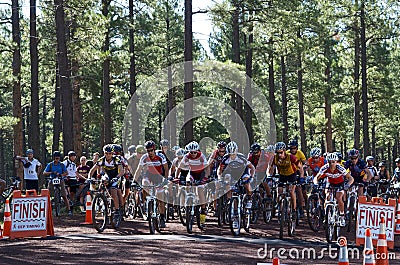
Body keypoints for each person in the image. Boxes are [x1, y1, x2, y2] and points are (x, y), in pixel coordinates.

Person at [133, 140, 168, 228]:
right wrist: (134, 181)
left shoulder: (160, 156)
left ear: (154, 149)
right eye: (148, 151)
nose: (150, 152)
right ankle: (147, 204)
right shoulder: (144, 157)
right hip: (149, 175)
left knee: (160, 198)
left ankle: (162, 217)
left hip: (159, 176)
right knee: (144, 184)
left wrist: (166, 179)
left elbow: (166, 169)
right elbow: (138, 169)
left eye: (151, 150)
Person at [176, 141, 210, 226]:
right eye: (191, 152)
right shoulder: (187, 156)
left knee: (200, 190)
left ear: (197, 151)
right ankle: (188, 201)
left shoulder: (201, 156)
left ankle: (202, 210)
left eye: (195, 152)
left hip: (201, 174)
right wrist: (176, 177)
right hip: (192, 173)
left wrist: (206, 178)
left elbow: (207, 168)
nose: (193, 154)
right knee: (188, 182)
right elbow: (179, 167)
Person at [315, 153, 354, 226]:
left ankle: (342, 216)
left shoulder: (340, 168)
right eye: (329, 162)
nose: (331, 164)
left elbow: (351, 178)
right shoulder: (325, 168)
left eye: (333, 162)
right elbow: (316, 177)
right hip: (330, 183)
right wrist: (315, 183)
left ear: (336, 162)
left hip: (340, 184)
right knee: (327, 197)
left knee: (339, 198)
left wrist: (348, 185)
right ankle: (327, 215)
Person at [268, 142, 304, 218]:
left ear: (284, 151)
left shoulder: (291, 157)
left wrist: (301, 177)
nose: (279, 155)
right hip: (282, 175)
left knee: (291, 191)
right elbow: (271, 168)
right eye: (277, 153)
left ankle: (294, 210)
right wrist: (269, 176)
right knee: (279, 192)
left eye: (280, 153)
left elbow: (300, 167)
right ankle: (280, 209)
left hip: (292, 175)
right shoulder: (275, 158)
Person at [89, 144, 125, 220]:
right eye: (106, 153)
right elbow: (92, 170)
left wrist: (117, 177)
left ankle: (117, 210)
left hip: (116, 176)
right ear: (104, 153)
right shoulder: (101, 160)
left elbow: (122, 171)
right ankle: (101, 199)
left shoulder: (116, 160)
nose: (108, 155)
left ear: (112, 153)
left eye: (110, 153)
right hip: (107, 175)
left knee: (113, 191)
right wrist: (89, 178)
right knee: (102, 182)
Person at [43, 151, 72, 215]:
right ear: (53, 158)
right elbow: (44, 172)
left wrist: (61, 175)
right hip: (52, 179)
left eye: (58, 158)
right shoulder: (50, 165)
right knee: (48, 194)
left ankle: (69, 209)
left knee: (64, 195)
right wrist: (51, 173)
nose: (57, 160)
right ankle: (46, 209)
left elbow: (66, 172)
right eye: (56, 158)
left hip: (60, 179)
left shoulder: (61, 165)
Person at [287, 139, 307, 217]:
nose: (292, 150)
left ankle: (301, 207)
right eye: (291, 148)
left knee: (299, 188)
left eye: (294, 148)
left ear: (297, 148)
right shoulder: (286, 153)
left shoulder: (300, 153)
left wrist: (305, 167)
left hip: (298, 171)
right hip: (290, 172)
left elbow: (305, 162)